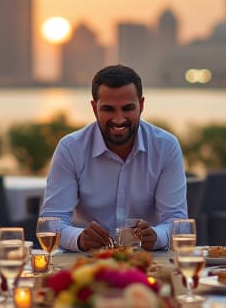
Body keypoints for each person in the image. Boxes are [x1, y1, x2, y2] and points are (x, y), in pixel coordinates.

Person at [40, 64, 188, 252]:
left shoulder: (166, 147)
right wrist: (79, 239)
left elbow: (178, 222)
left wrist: (157, 236)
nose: (119, 119)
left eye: (127, 108)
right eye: (108, 109)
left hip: (148, 262)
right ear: (94, 108)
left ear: (141, 106)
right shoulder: (71, 148)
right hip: (85, 262)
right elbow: (51, 223)